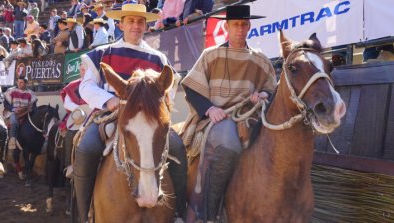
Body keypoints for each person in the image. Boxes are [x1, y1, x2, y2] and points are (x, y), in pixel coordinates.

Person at [75, 4, 187, 222]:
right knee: (87, 149)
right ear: (121, 24)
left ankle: (179, 212)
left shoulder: (158, 59)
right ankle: (83, 213)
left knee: (179, 148)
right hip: (110, 116)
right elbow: (86, 86)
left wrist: (155, 109)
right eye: (131, 21)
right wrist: (109, 100)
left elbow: (168, 91)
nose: (136, 26)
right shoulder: (102, 53)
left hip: (148, 120)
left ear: (146, 25)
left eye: (140, 22)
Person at [180, 5, 276, 222]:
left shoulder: (260, 60)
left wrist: (262, 95)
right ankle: (208, 213)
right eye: (235, 25)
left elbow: (272, 90)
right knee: (230, 144)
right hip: (219, 118)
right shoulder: (210, 55)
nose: (240, 29)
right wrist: (209, 109)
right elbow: (191, 87)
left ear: (249, 26)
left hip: (249, 117)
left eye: (244, 24)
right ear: (227, 26)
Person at [59, 64, 89, 178]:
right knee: (69, 134)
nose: (84, 72)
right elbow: (67, 103)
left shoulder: (97, 85)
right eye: (82, 70)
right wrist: (81, 109)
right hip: (77, 116)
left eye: (86, 70)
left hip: (93, 114)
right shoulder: (72, 85)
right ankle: (69, 165)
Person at [4, 76, 37, 151]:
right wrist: (13, 109)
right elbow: (6, 104)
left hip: (26, 113)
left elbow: (34, 107)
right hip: (13, 112)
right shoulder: (11, 91)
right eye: (18, 82)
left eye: (21, 82)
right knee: (14, 120)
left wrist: (28, 109)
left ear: (26, 83)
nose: (19, 84)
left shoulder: (31, 93)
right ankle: (12, 139)